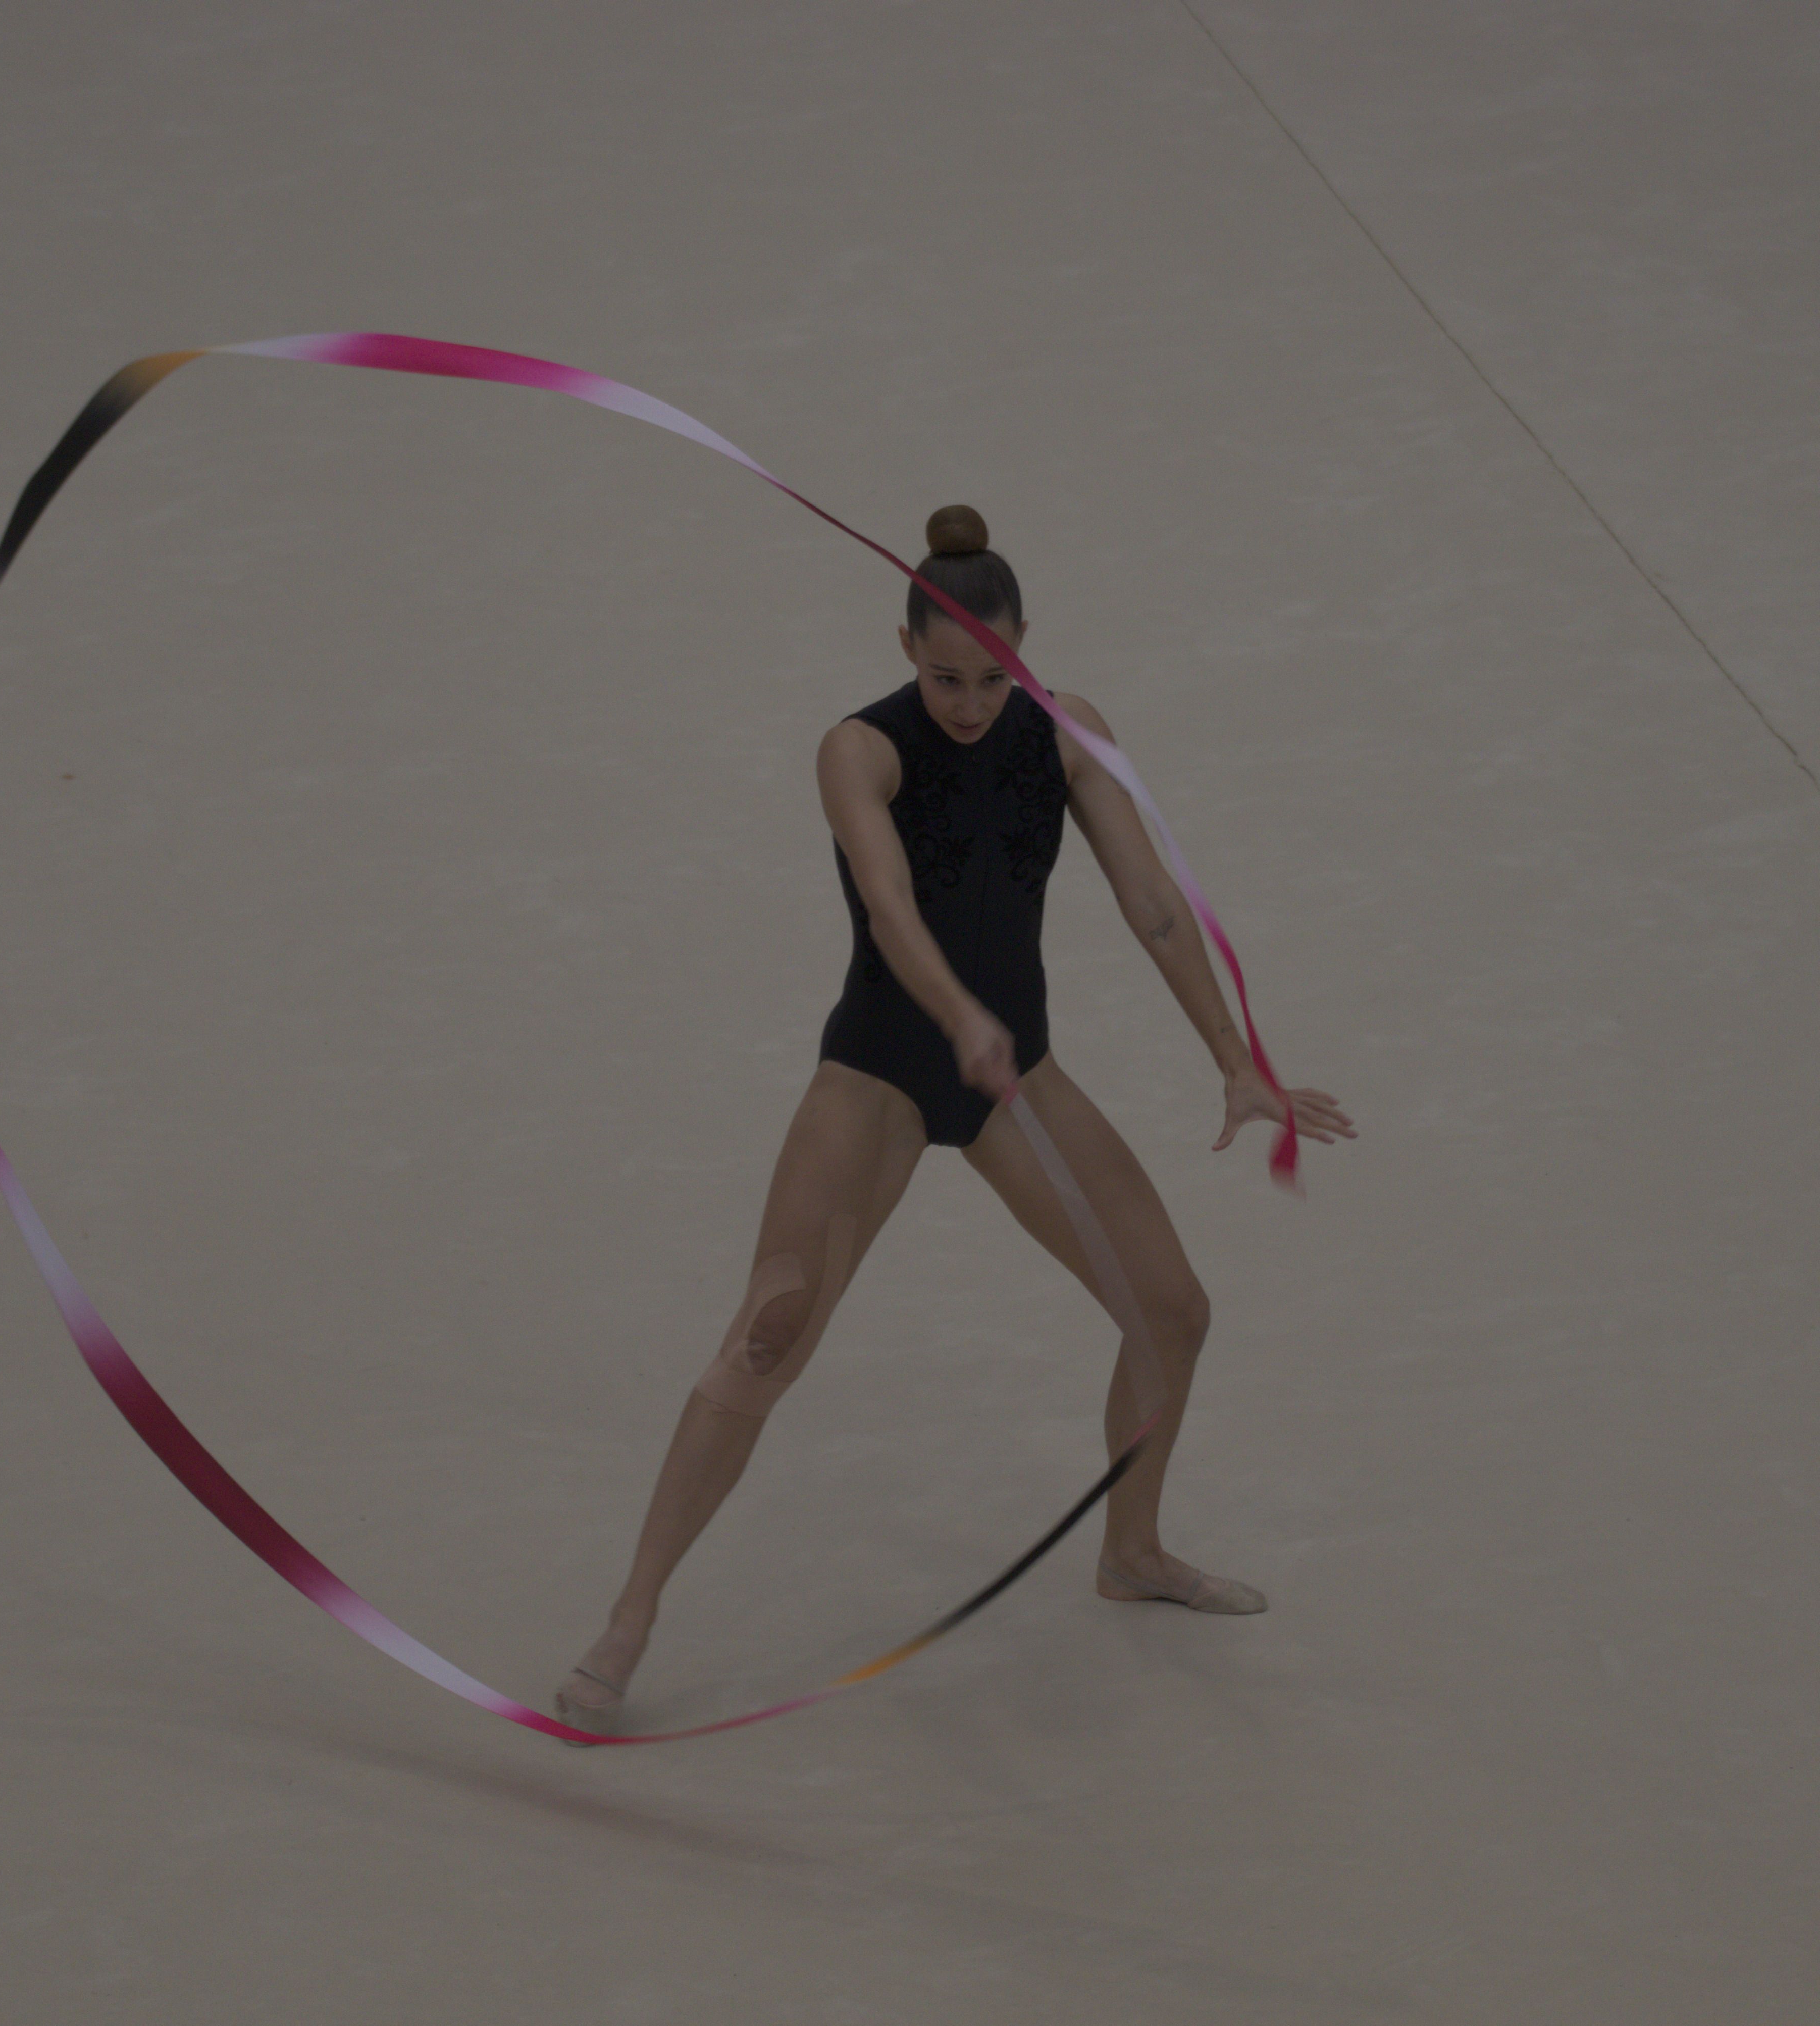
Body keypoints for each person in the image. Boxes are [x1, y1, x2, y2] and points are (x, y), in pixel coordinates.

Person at [555, 505, 1356, 1728]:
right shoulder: (858, 749)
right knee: (766, 1337)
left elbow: (1148, 899)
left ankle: (1130, 1550)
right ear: (904, 648)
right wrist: (956, 1014)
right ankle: (628, 1618)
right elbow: (888, 905)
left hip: (1011, 1077)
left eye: (993, 675)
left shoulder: (1068, 730)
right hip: (879, 1075)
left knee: (1172, 1312)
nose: (971, 703)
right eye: (944, 678)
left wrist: (1231, 1059)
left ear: (1025, 644)